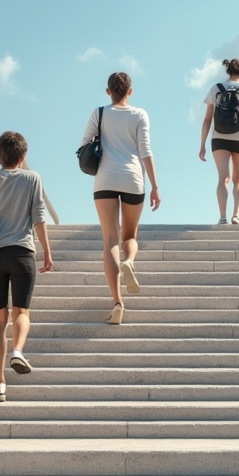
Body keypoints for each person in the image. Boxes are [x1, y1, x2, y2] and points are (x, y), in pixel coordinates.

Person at [0, 131, 54, 403]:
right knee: (21, 312)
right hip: (22, 253)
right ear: (23, 156)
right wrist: (47, 253)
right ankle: (17, 350)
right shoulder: (32, 178)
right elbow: (39, 218)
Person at [80, 72, 160, 326]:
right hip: (133, 179)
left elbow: (83, 145)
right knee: (130, 236)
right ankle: (129, 261)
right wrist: (156, 186)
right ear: (130, 91)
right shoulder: (139, 114)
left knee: (110, 240)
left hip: (104, 179)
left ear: (108, 91)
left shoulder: (99, 113)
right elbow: (146, 150)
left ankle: (117, 302)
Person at [198, 58, 239, 224]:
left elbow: (207, 120)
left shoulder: (216, 89)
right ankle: (236, 215)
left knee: (223, 179)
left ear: (228, 72)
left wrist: (202, 144)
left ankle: (222, 217)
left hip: (219, 138)